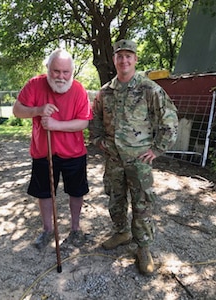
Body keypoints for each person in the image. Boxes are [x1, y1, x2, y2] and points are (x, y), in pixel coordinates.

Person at [91, 39, 178, 275]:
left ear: (135, 59)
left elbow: (169, 120)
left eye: (128, 56)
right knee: (115, 200)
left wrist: (157, 149)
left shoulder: (150, 89)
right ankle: (121, 232)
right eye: (120, 56)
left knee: (142, 205)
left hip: (139, 161)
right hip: (114, 160)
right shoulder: (105, 92)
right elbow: (95, 120)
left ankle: (143, 247)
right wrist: (99, 141)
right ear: (114, 60)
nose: (124, 60)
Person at [13, 48, 93, 250]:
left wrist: (56, 125)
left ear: (71, 72)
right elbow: (17, 110)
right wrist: (38, 110)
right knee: (45, 193)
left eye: (65, 72)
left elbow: (83, 123)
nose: (60, 76)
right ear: (48, 68)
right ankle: (48, 230)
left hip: (74, 153)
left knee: (76, 191)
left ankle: (75, 229)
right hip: (43, 152)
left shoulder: (79, 90)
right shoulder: (34, 85)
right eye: (56, 71)